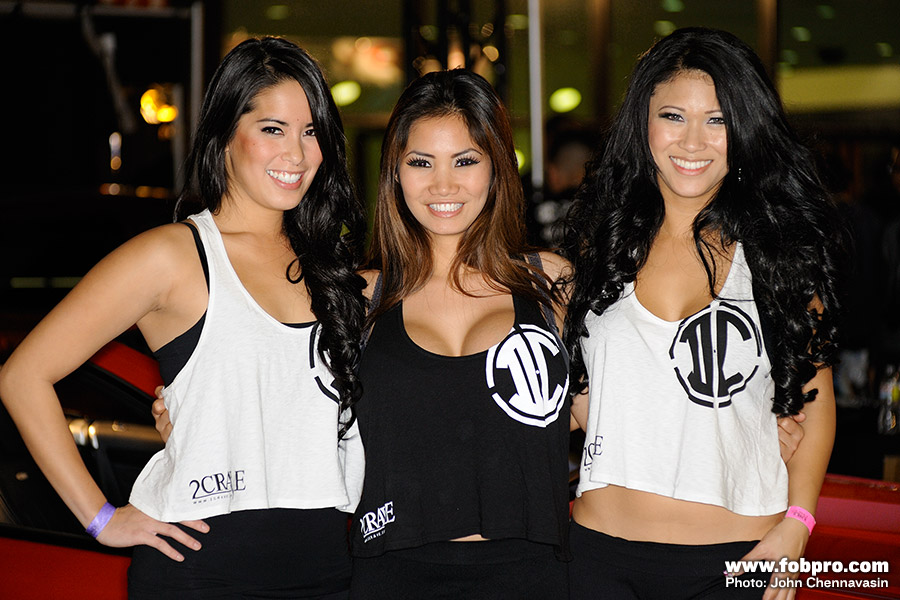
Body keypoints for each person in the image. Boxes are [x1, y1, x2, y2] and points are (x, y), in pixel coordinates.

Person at [0, 36, 366, 599]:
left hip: (328, 570)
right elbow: (23, 376)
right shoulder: (172, 255)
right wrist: (101, 518)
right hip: (201, 573)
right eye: (273, 129)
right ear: (224, 136)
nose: (296, 153)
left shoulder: (333, 268)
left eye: (311, 131)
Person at [562, 28, 842, 600]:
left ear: (745, 129)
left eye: (717, 120)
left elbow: (816, 402)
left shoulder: (777, 258)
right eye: (673, 116)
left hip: (736, 561)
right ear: (643, 124)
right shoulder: (600, 247)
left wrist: (798, 524)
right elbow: (579, 395)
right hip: (598, 553)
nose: (693, 141)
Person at [348, 69, 572, 599]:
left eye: (465, 161)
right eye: (421, 162)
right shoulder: (359, 297)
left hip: (532, 574)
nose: (442, 185)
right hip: (391, 575)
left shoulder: (549, 282)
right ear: (395, 172)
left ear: (497, 168)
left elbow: (616, 418)